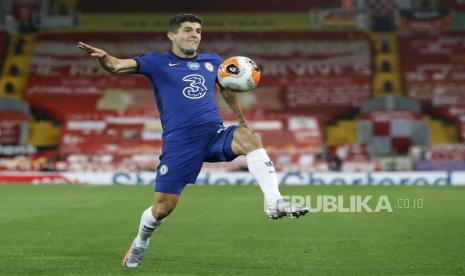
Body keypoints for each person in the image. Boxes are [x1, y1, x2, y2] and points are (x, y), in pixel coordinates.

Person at [77, 13, 308, 268]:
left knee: (249, 138)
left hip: (213, 134)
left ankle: (274, 201)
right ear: (172, 35)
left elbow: (228, 92)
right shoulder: (157, 61)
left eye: (197, 30)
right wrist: (104, 58)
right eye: (187, 30)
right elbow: (117, 65)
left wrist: (242, 122)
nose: (194, 34)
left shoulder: (212, 62)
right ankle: (140, 243)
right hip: (181, 143)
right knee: (163, 208)